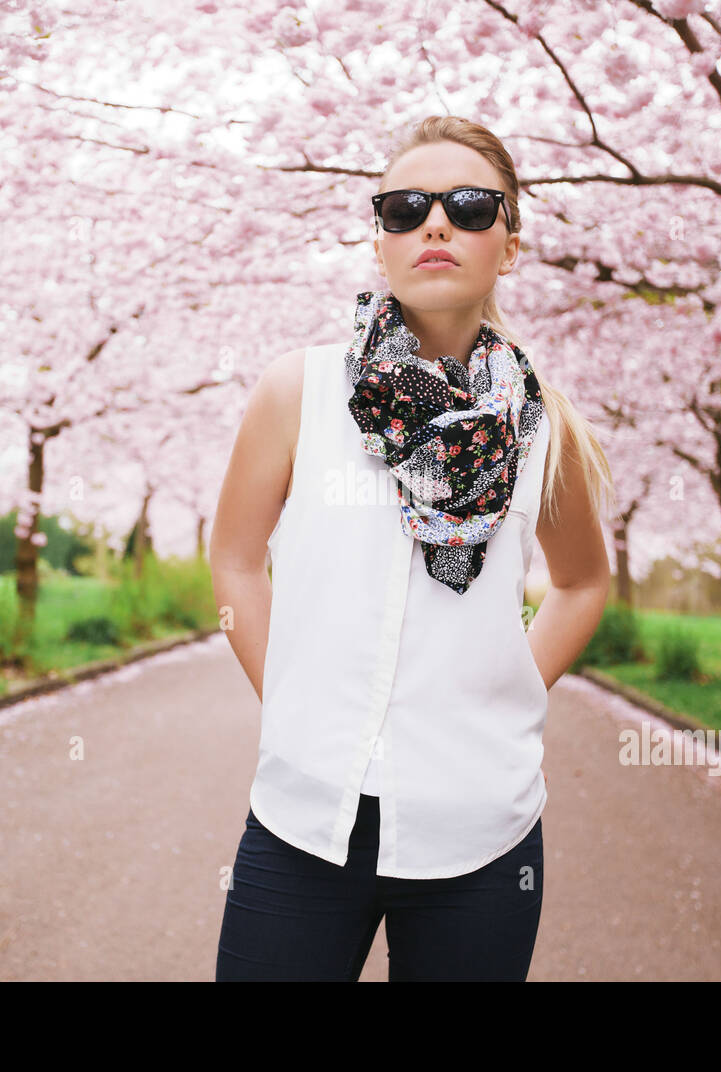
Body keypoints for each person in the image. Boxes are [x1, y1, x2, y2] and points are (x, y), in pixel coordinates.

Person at [209, 115, 614, 981]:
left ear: (508, 244)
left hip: (483, 831)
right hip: (303, 819)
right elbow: (236, 559)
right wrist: (288, 696)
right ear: (382, 241)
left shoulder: (547, 427)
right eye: (406, 208)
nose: (437, 224)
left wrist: (510, 684)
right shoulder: (299, 391)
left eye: (471, 206)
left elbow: (582, 583)